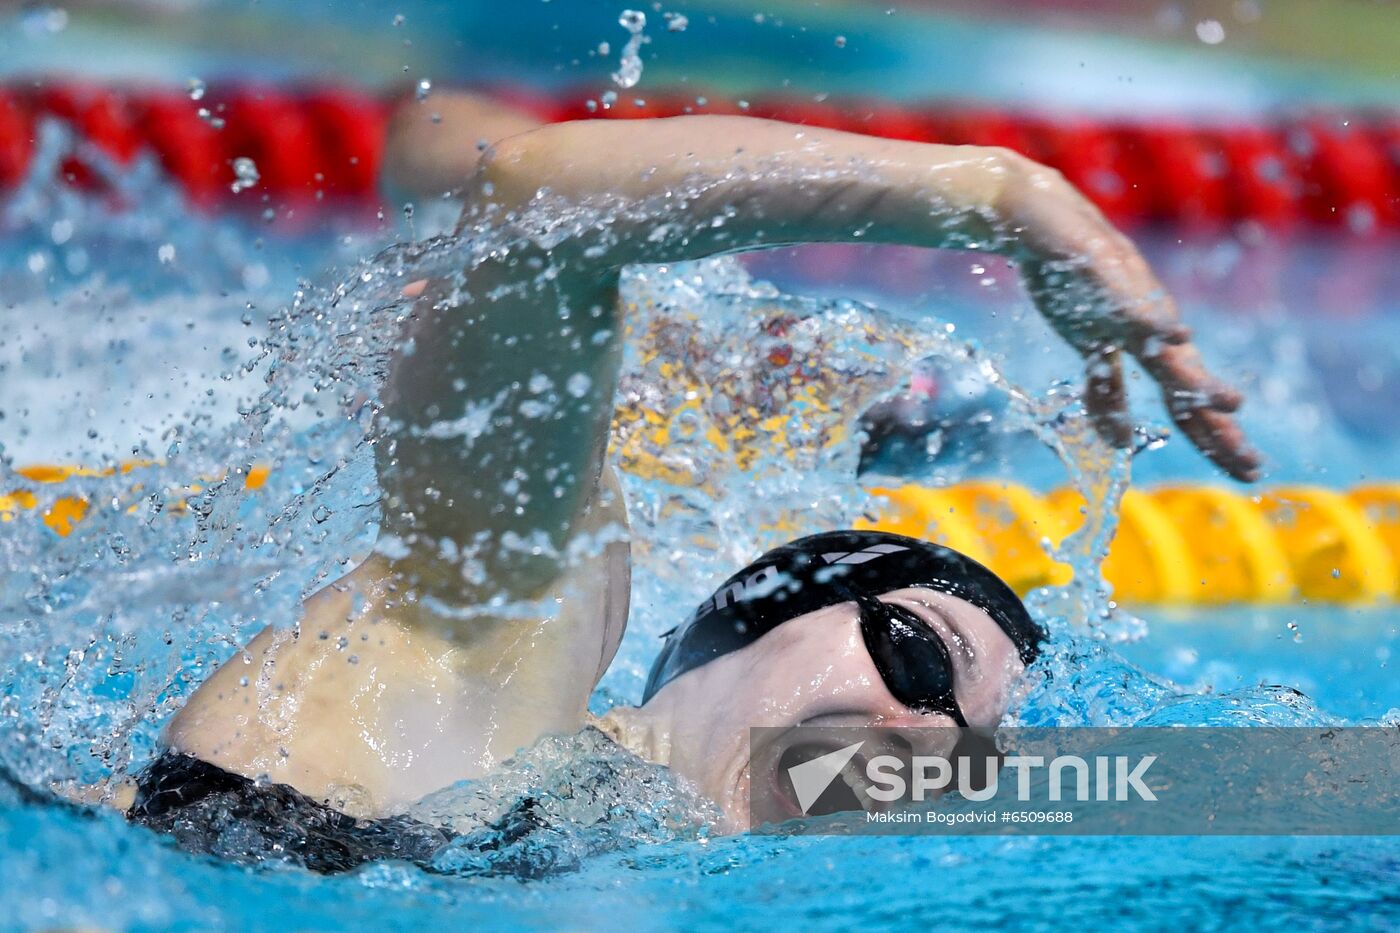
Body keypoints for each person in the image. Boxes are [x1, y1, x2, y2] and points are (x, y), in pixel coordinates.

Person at [127, 92, 1260, 868]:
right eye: (918, 661)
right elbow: (535, 205)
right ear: (744, 626)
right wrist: (1001, 199)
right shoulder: (505, 644)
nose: (925, 748)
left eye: (974, 760)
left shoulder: (617, 864)